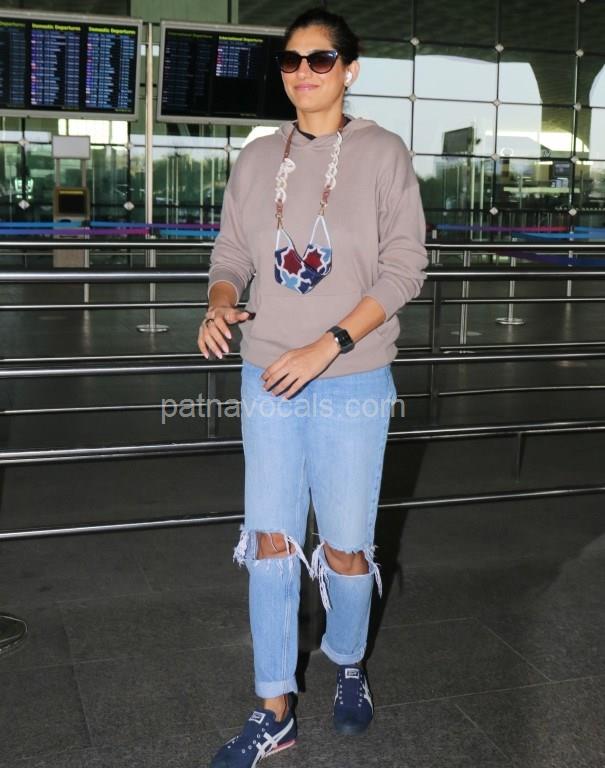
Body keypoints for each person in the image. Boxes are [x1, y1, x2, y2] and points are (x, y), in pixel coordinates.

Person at [198, 7, 428, 766]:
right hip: (267, 374)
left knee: (347, 548)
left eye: (321, 59)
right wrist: (220, 303)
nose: (304, 72)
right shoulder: (258, 157)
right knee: (270, 542)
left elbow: (404, 268)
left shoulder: (383, 153)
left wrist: (328, 344)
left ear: (349, 70)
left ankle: (348, 660)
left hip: (351, 377)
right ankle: (274, 708)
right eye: (292, 60)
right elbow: (232, 252)